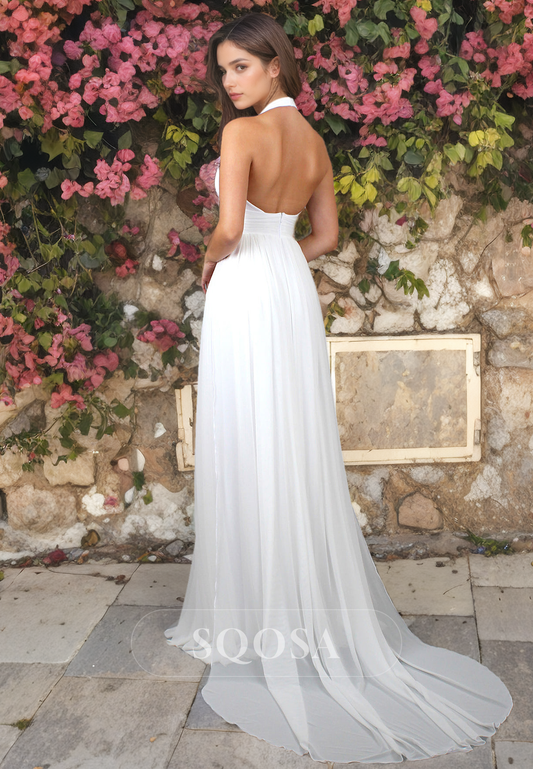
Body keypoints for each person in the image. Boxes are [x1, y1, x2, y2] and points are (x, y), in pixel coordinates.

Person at [164, 12, 513, 763]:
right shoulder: (315, 143)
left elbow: (229, 228)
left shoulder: (241, 134)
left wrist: (211, 260)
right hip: (288, 286)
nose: (229, 81)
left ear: (276, 65)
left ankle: (251, 610)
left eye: (240, 67)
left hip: (244, 284)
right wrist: (279, 252)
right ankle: (290, 594)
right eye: (222, 70)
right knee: (288, 432)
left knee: (245, 429)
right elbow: (321, 237)